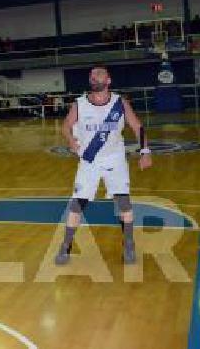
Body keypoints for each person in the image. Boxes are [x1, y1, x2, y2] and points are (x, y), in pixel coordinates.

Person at [55, 66, 152, 265]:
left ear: (108, 80)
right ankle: (65, 247)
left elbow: (137, 127)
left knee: (123, 203)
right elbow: (65, 126)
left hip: (114, 159)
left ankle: (129, 245)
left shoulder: (119, 103)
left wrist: (145, 151)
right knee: (76, 205)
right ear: (90, 81)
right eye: (93, 75)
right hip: (89, 160)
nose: (95, 77)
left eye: (100, 74)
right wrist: (71, 140)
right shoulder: (80, 104)